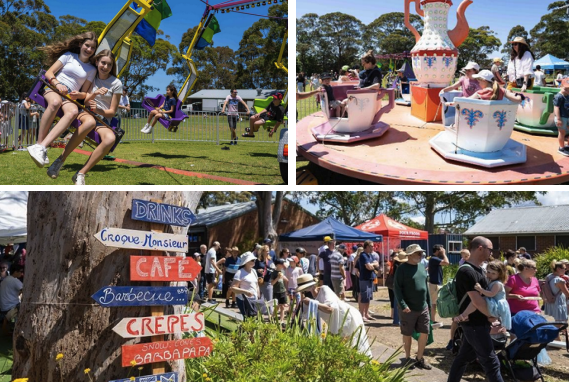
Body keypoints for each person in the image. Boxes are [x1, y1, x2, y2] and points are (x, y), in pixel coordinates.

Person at [46, 49, 123, 185]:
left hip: (103, 118)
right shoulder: (92, 75)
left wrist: (99, 110)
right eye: (103, 63)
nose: (105, 67)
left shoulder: (116, 84)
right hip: (86, 111)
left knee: (110, 138)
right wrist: (86, 96)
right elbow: (85, 97)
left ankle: (81, 174)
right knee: (89, 122)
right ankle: (60, 160)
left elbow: (112, 112)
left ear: (112, 67)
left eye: (109, 65)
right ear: (97, 61)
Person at [27, 31, 98, 168]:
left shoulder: (91, 69)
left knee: (72, 113)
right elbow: (49, 72)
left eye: (92, 48)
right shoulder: (68, 56)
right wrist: (57, 84)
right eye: (87, 45)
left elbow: (84, 93)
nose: (89, 49)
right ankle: (40, 145)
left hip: (70, 96)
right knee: (55, 102)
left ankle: (41, 147)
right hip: (53, 87)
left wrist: (79, 95)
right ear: (80, 44)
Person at [448, 236, 504, 382]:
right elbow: (477, 301)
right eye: (490, 249)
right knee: (491, 362)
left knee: (464, 358)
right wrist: (493, 316)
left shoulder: (479, 270)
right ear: (480, 248)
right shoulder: (467, 271)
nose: (491, 253)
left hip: (477, 323)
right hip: (474, 324)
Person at [297, 274, 372, 356]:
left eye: (306, 289)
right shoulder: (308, 300)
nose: (305, 292)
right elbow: (304, 316)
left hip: (346, 317)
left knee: (352, 342)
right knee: (336, 345)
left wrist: (313, 303)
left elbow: (330, 309)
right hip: (335, 321)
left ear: (313, 286)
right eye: (303, 290)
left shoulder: (324, 289)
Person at [393, 244, 432, 370]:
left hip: (423, 307)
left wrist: (429, 303)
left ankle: (419, 358)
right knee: (407, 333)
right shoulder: (402, 268)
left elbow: (425, 287)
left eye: (421, 253)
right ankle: (408, 357)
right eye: (418, 253)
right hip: (408, 308)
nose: (421, 255)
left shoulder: (421, 266)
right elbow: (397, 288)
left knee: (424, 332)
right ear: (410, 255)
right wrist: (403, 305)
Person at [456, 260, 512, 330]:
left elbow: (491, 294)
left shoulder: (497, 284)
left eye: (493, 273)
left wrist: (480, 289)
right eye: (488, 272)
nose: (490, 275)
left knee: (476, 301)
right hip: (493, 303)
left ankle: (464, 315)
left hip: (497, 306)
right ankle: (465, 315)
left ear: (499, 275)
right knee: (476, 300)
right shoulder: (491, 281)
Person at [230, 252, 260, 318]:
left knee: (254, 318)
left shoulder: (254, 271)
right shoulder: (240, 272)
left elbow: (256, 285)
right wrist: (245, 292)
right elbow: (233, 288)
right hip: (244, 300)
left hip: (254, 299)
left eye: (254, 260)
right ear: (246, 262)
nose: (254, 261)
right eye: (252, 260)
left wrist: (258, 296)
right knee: (247, 319)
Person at [357, 240, 378, 322]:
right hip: (364, 279)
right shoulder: (363, 255)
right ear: (367, 246)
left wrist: (371, 265)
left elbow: (377, 264)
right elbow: (369, 267)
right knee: (363, 297)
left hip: (370, 278)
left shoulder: (370, 255)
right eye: (372, 246)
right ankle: (362, 315)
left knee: (368, 297)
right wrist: (372, 265)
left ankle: (366, 314)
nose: (373, 247)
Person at [428, 244, 450, 324]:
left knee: (435, 303)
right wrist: (444, 253)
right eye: (441, 249)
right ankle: (432, 320)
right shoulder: (434, 259)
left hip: (436, 283)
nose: (443, 250)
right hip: (434, 284)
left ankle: (432, 319)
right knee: (433, 304)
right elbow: (447, 262)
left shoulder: (435, 259)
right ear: (437, 251)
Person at [554, 78, 569, 156]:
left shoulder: (567, 96)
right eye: (565, 89)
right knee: (562, 132)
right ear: (561, 86)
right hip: (562, 117)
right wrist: (558, 118)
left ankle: (567, 145)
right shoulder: (559, 96)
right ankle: (561, 147)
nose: (567, 91)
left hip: (567, 116)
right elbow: (556, 107)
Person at [271, 258, 288, 324]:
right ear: (278, 265)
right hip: (276, 291)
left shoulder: (282, 271)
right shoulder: (274, 273)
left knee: (283, 307)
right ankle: (272, 317)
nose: (283, 265)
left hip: (282, 291)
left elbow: (286, 280)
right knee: (277, 307)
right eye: (282, 264)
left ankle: (281, 320)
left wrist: (284, 277)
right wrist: (278, 278)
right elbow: (272, 283)